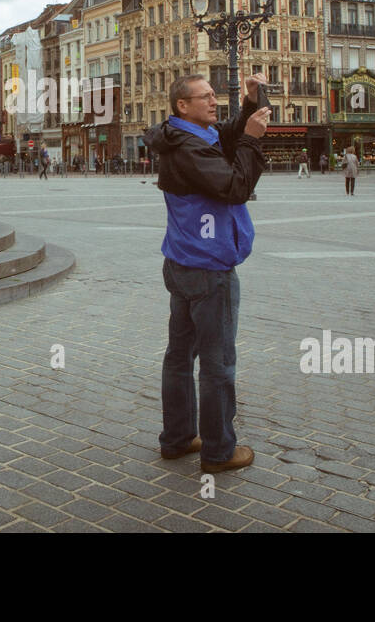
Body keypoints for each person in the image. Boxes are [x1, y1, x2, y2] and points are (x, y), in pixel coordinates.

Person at [144, 71, 269, 474]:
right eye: (207, 97)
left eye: (216, 95)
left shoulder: (183, 137)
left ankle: (178, 438)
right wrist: (252, 139)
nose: (215, 101)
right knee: (217, 363)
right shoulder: (190, 149)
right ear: (183, 105)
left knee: (179, 356)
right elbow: (234, 186)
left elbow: (228, 135)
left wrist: (249, 104)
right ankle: (218, 451)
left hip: (181, 263)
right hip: (209, 268)